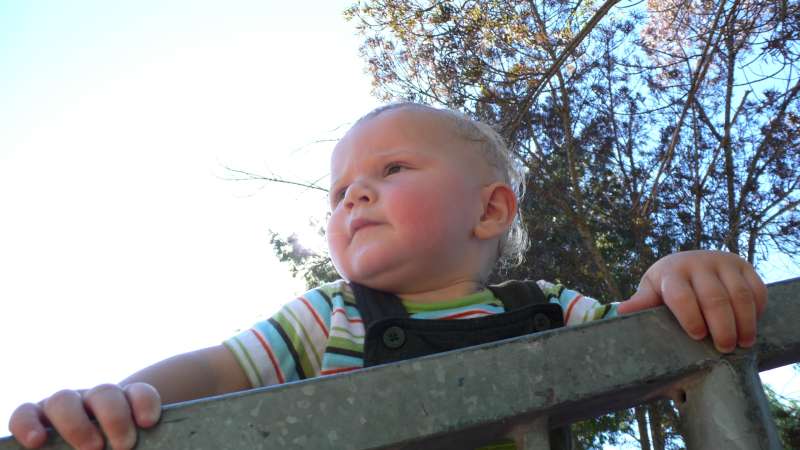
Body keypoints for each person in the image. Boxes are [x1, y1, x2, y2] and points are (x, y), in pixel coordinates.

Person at [9, 103, 767, 450]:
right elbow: (217, 370)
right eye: (339, 191)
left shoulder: (547, 306)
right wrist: (119, 401)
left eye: (392, 169)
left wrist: (679, 275)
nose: (353, 197)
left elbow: (647, 344)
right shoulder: (330, 316)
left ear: (489, 210)